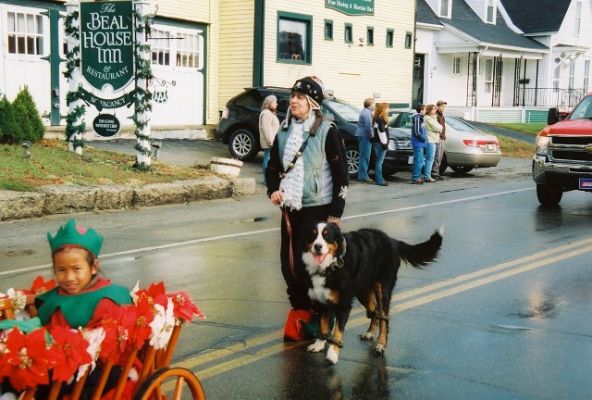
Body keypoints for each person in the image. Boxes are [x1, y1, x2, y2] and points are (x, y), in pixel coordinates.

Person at [265, 76, 349, 340]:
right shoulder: (284, 130)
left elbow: (341, 176)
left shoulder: (327, 131)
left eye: (300, 97)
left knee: (317, 269)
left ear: (312, 102)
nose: (293, 101)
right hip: (291, 208)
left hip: (319, 210)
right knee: (290, 266)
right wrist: (273, 190)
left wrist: (336, 212)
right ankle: (300, 312)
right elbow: (273, 168)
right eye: (292, 96)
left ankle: (323, 314)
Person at [259, 95, 280, 181]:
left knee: (269, 159)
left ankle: (268, 178)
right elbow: (267, 129)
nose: (276, 104)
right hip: (269, 142)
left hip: (271, 141)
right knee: (267, 159)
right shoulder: (266, 114)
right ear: (269, 103)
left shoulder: (269, 113)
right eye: (274, 102)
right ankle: (266, 179)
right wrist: (271, 142)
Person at [356, 97, 375, 183]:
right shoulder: (367, 113)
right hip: (365, 136)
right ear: (370, 104)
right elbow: (368, 126)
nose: (375, 105)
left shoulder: (365, 111)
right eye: (374, 104)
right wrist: (372, 136)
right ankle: (363, 176)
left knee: (364, 156)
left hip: (362, 135)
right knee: (365, 157)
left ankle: (362, 175)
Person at [372, 102, 389, 186]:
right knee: (379, 162)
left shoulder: (377, 118)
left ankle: (379, 179)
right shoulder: (380, 119)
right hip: (381, 142)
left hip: (377, 142)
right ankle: (379, 180)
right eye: (387, 108)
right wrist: (385, 144)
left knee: (378, 161)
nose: (388, 109)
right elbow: (381, 132)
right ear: (383, 109)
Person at [423, 104, 441, 183]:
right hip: (430, 140)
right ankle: (427, 176)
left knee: (430, 158)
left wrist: (439, 126)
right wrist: (440, 127)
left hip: (433, 140)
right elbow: (438, 128)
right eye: (433, 109)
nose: (435, 111)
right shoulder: (428, 118)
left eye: (435, 109)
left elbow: (439, 127)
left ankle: (427, 175)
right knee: (430, 158)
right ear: (429, 110)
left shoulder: (432, 118)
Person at [411, 104, 427, 184]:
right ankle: (416, 178)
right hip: (418, 143)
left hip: (421, 143)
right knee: (418, 161)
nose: (425, 111)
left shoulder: (421, 118)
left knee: (420, 160)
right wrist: (423, 138)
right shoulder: (417, 118)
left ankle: (417, 177)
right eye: (425, 109)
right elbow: (417, 132)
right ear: (421, 110)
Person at [431, 100, 447, 180]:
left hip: (442, 137)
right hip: (437, 138)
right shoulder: (435, 115)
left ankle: (437, 173)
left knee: (440, 157)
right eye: (442, 106)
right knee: (437, 156)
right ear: (437, 106)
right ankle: (434, 173)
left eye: (444, 106)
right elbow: (435, 127)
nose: (443, 108)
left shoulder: (441, 115)